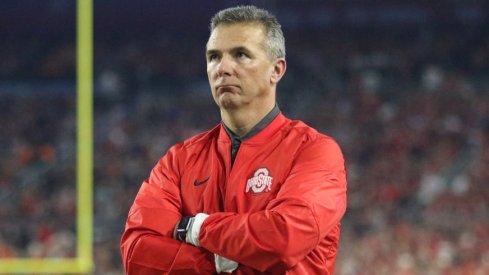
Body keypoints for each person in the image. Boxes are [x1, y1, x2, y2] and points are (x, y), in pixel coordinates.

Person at [121, 5, 347, 274]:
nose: (223, 67)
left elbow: (283, 238)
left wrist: (196, 228)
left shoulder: (314, 151)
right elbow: (137, 254)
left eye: (241, 55)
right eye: (214, 57)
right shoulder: (178, 161)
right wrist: (215, 263)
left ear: (276, 70)